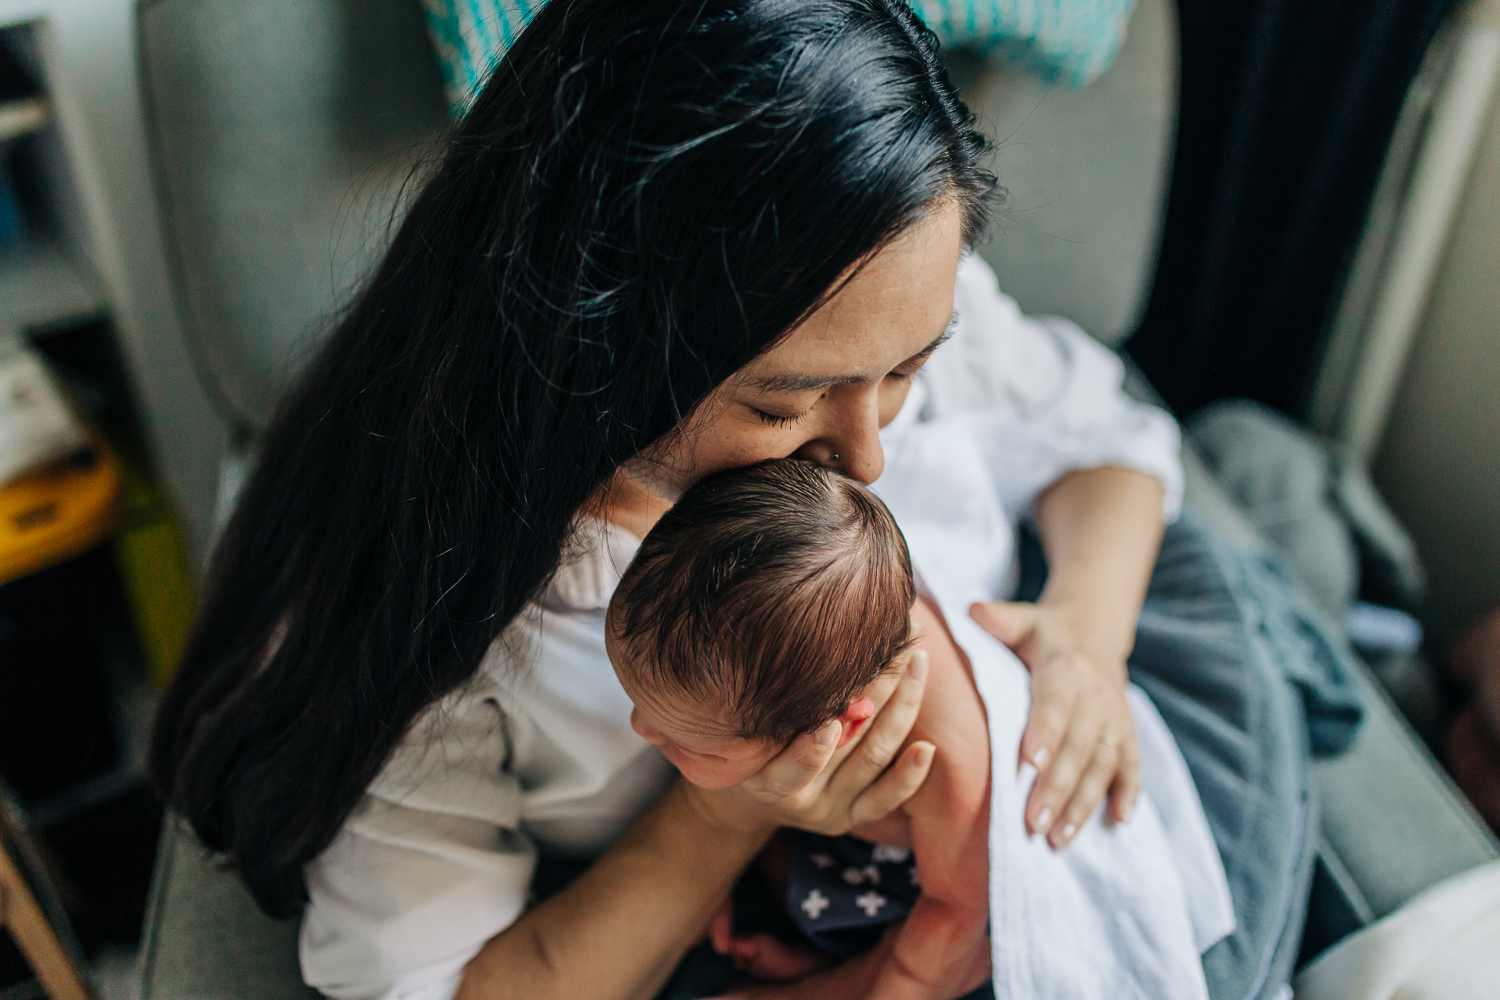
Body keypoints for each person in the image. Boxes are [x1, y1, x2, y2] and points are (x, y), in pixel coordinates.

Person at [150, 1, 1317, 999]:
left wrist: (1083, 641)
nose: (867, 454)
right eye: (786, 404)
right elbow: (438, 980)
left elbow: (1106, 441)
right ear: (601, 334)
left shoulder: (876, 288)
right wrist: (730, 812)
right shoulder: (434, 614)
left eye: (909, 370)